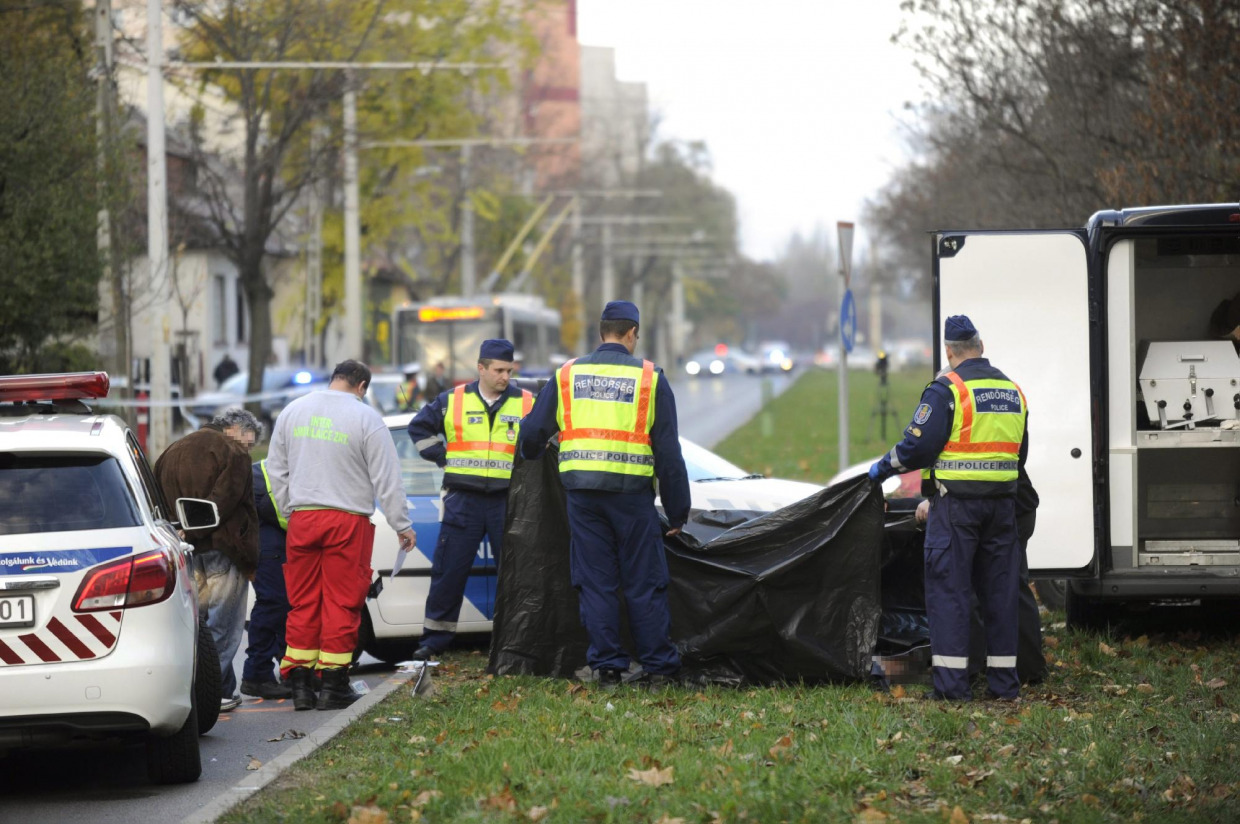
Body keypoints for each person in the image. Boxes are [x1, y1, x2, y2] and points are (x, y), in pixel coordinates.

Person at [517, 301, 691, 687]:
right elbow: (668, 453)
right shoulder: (650, 378)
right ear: (632, 334)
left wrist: (533, 451)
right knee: (644, 582)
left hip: (582, 498)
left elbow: (531, 435)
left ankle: (608, 668)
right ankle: (659, 669)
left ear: (601, 333)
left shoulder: (567, 375)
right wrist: (678, 512)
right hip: (632, 498)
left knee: (596, 583)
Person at [869, 315, 1028, 701]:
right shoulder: (1013, 391)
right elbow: (1019, 455)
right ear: (981, 346)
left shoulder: (948, 390)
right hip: (1002, 509)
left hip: (957, 509)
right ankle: (1005, 685)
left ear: (949, 351)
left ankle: (953, 689)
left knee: (950, 594)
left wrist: (882, 468)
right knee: (1001, 594)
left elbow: (917, 448)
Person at [266, 360, 416, 711]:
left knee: (303, 601)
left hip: (303, 519)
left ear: (334, 379)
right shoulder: (365, 418)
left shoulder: (293, 411)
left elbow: (276, 469)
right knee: (341, 602)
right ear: (362, 386)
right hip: (346, 522)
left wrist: (291, 510)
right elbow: (387, 478)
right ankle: (333, 684)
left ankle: (301, 684)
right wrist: (401, 524)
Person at [406, 340, 533, 660]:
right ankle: (435, 639)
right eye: (499, 370)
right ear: (481, 368)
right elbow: (419, 429)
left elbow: (547, 438)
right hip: (464, 499)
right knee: (449, 570)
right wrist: (442, 456)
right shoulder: (453, 400)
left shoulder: (528, 402)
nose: (505, 376)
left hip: (507, 500)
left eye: (509, 370)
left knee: (515, 573)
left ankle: (517, 640)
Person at [154, 408, 262, 713]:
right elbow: (226, 500)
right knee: (223, 626)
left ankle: (223, 690)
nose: (249, 449)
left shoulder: (172, 450)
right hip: (223, 546)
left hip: (186, 549)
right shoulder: (234, 452)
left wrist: (182, 531)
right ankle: (210, 692)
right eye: (249, 442)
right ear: (237, 429)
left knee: (198, 625)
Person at [916, 466, 1047, 686]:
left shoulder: (967, 430)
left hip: (992, 505)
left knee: (978, 590)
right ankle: (1026, 668)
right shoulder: (1008, 429)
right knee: (1012, 588)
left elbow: (932, 448)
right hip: (1015, 505)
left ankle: (971, 670)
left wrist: (938, 498)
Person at [239, 458, 293, 699]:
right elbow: (280, 512)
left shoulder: (269, 468)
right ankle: (257, 674)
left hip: (274, 546)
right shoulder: (268, 471)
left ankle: (289, 670)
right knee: (273, 604)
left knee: (284, 606)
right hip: (269, 549)